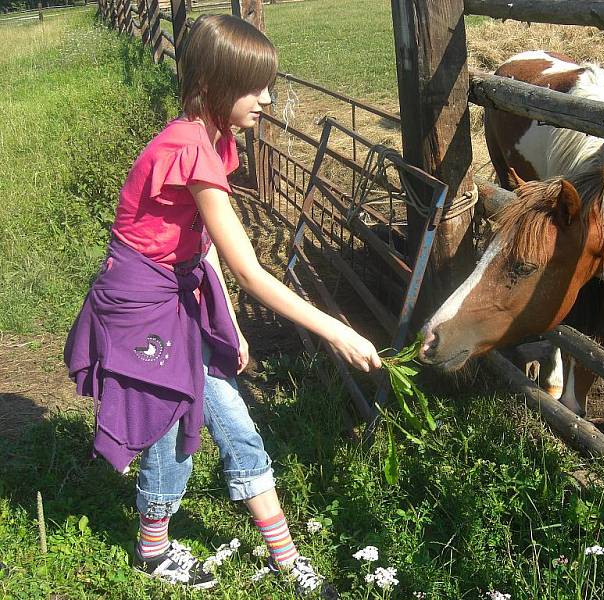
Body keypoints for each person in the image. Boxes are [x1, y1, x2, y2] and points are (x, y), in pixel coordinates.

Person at [64, 13, 381, 593]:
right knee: (167, 422)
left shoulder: (215, 140)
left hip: (178, 289)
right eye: (254, 86)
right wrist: (339, 331)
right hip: (141, 305)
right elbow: (250, 272)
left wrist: (230, 330)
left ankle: (286, 560)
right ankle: (152, 551)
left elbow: (203, 247)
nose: (266, 98)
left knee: (234, 418)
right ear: (213, 85)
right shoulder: (188, 148)